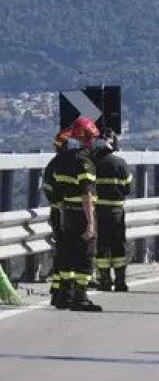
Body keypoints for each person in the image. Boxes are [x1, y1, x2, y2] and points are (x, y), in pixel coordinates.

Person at [47, 118, 102, 311]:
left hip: (66, 213)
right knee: (85, 255)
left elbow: (57, 192)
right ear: (87, 138)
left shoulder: (61, 160)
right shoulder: (84, 162)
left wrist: (61, 215)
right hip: (81, 213)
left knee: (67, 254)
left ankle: (65, 296)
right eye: (93, 138)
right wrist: (90, 223)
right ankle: (80, 298)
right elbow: (87, 194)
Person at [92, 129, 132, 292]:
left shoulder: (91, 163)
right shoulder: (120, 163)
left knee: (102, 245)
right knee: (118, 245)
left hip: (98, 211)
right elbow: (128, 187)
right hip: (115, 211)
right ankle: (120, 281)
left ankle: (105, 281)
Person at [42, 130, 70, 302]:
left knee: (61, 249)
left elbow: (48, 187)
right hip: (70, 213)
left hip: (57, 211)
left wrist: (56, 203)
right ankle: (66, 288)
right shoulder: (74, 163)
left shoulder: (53, 164)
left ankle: (58, 287)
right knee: (71, 249)